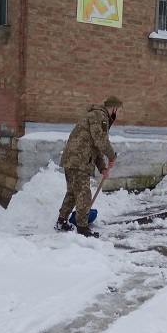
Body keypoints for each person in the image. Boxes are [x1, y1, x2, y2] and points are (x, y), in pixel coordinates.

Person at [55, 96, 121, 238]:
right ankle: (82, 228)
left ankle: (61, 221)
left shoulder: (95, 115)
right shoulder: (100, 116)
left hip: (72, 159)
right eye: (119, 110)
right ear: (114, 108)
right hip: (79, 160)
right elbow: (101, 140)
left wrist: (102, 168)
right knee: (84, 195)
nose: (118, 113)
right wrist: (112, 156)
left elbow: (95, 146)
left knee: (72, 193)